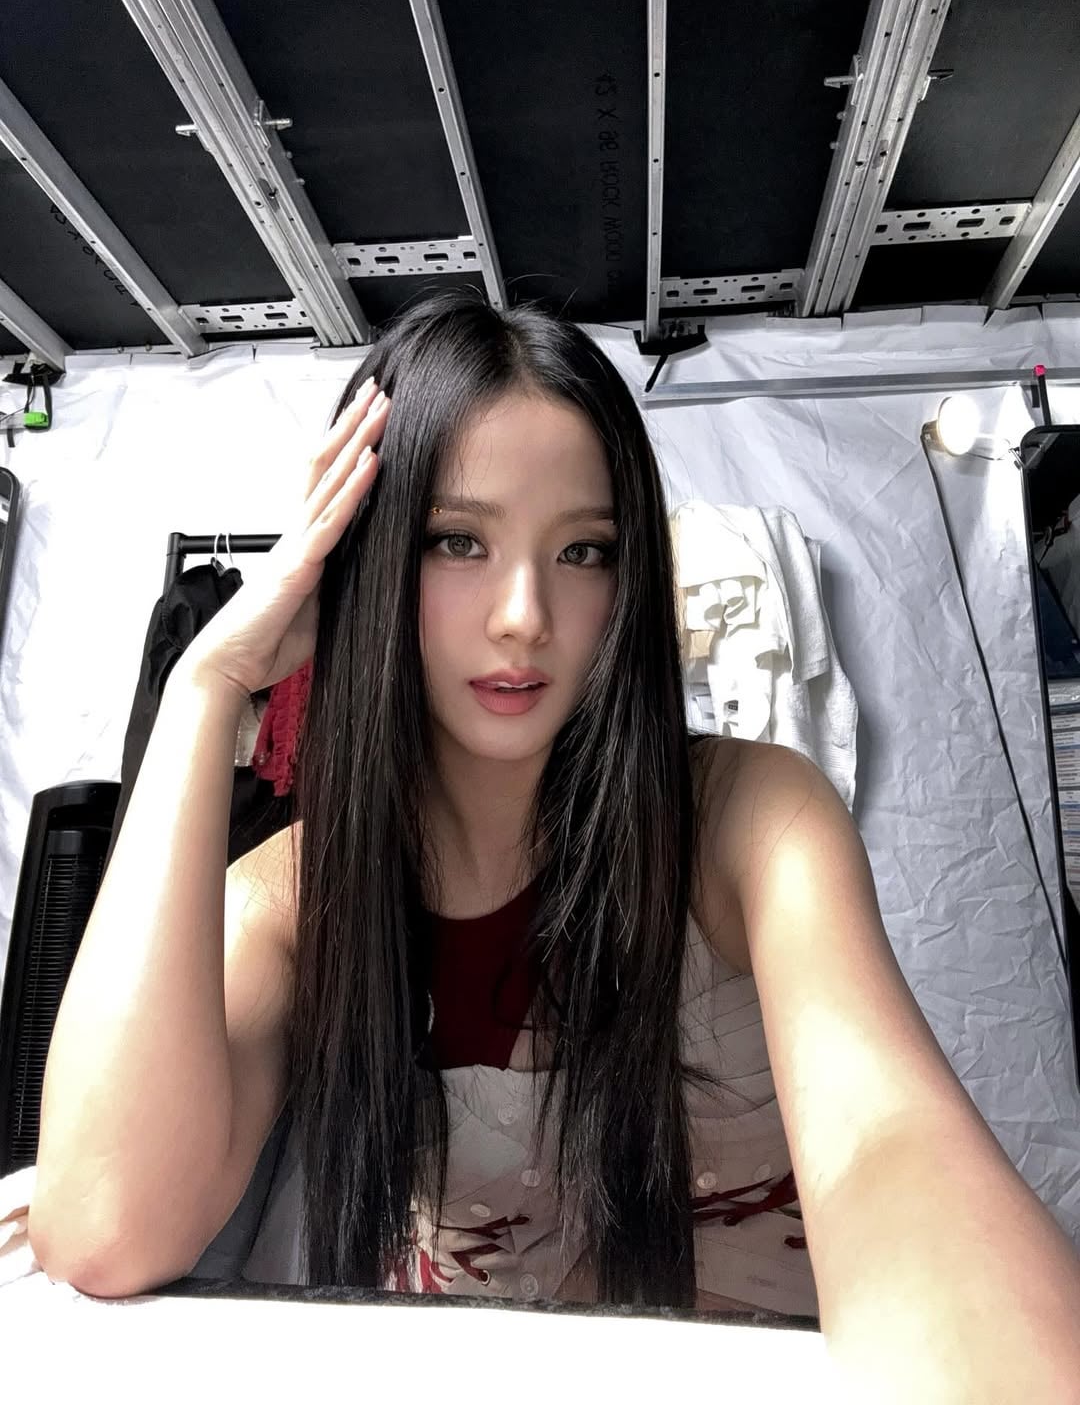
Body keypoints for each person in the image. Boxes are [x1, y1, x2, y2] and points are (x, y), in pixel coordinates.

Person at [28, 291, 1080, 1399]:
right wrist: (207, 687)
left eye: (584, 550)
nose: (525, 614)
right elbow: (105, 1227)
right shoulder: (296, 900)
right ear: (367, 560)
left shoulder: (751, 819)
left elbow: (883, 1142)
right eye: (457, 542)